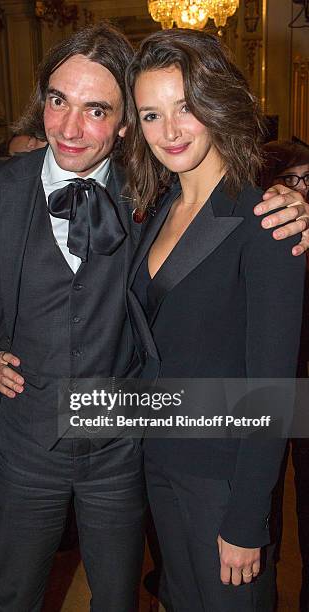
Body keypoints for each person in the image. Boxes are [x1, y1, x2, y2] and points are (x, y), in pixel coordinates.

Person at [0, 24, 309, 612]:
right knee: (16, 589)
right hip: (39, 437)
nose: (71, 128)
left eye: (96, 110)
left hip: (135, 444)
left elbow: (273, 384)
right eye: (58, 101)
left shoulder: (150, 190)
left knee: (122, 596)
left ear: (120, 125)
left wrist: (291, 202)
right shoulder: (2, 188)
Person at [124, 29, 306, 612]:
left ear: (217, 104)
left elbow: (273, 389)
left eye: (186, 107)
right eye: (152, 114)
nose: (169, 131)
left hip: (224, 479)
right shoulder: (155, 213)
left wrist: (247, 517)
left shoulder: (265, 221)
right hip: (158, 458)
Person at [261, 139, 309, 612]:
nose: (299, 188)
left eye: (307, 179)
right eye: (288, 178)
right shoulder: (264, 228)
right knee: (264, 501)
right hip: (268, 392)